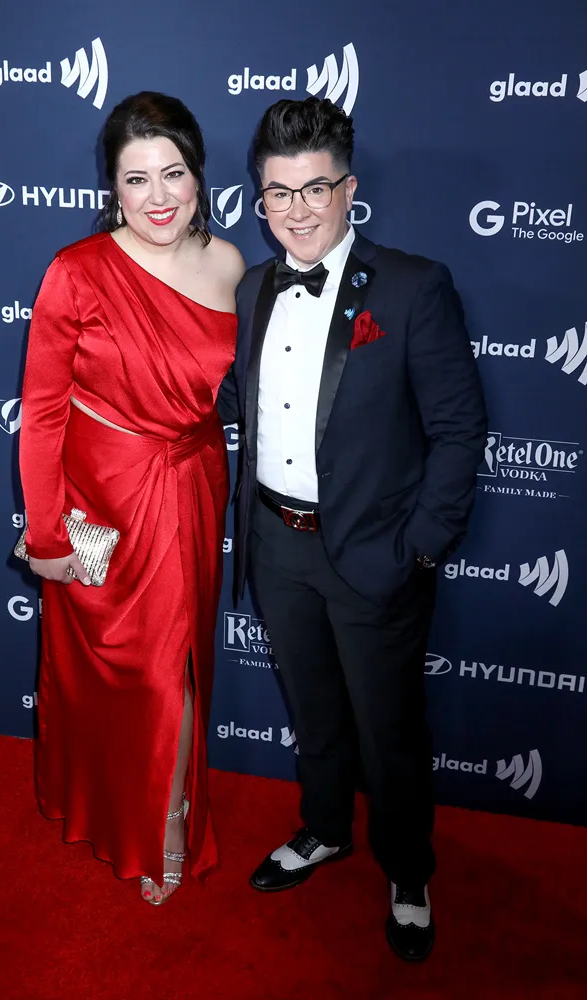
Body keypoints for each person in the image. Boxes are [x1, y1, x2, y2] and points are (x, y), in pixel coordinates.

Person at [218, 97, 487, 960]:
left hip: (375, 555)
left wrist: (420, 548)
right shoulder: (252, 288)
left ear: (349, 189)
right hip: (275, 543)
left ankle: (407, 870)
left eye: (315, 189)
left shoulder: (412, 287)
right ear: (259, 198)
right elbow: (236, 402)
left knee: (390, 730)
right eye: (278, 192)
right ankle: (325, 828)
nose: (296, 211)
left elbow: (458, 430)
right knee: (316, 711)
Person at [19, 91, 244, 906]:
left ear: (198, 175)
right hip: (100, 500)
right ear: (112, 187)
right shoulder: (75, 271)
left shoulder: (230, 267)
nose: (158, 196)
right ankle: (101, 798)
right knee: (101, 675)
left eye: (173, 173)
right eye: (136, 178)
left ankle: (169, 822)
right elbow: (43, 411)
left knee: (170, 673)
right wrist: (49, 533)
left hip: (190, 485)